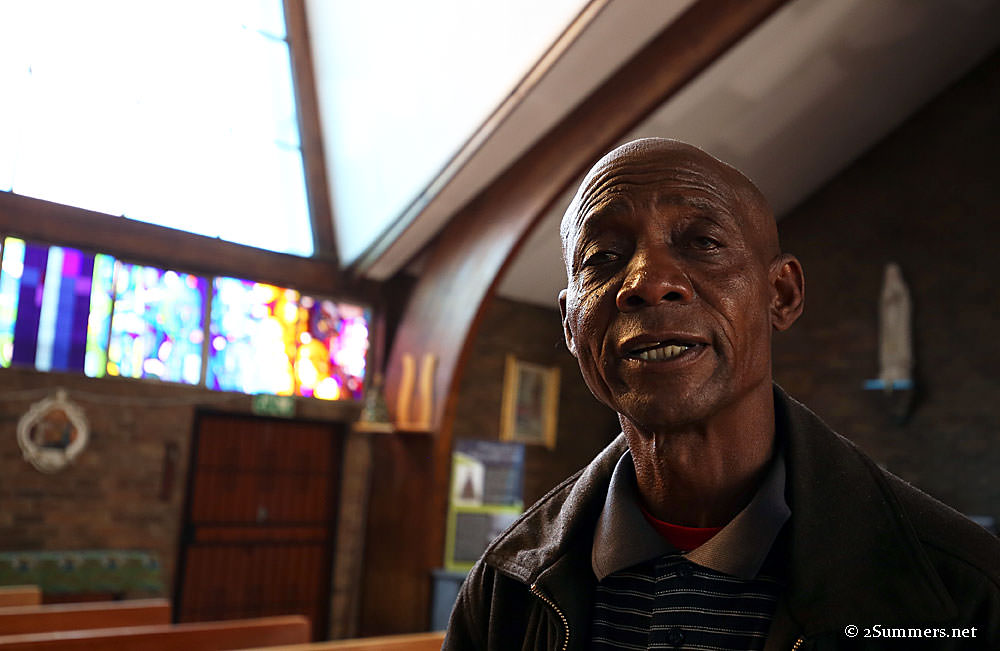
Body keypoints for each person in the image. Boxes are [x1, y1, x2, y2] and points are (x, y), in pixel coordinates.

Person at [443, 139, 1000, 650]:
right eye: (604, 257)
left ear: (780, 294)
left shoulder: (961, 592)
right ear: (571, 324)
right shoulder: (503, 591)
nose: (647, 281)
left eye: (702, 243)